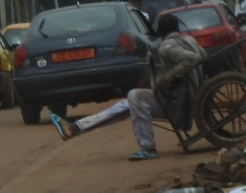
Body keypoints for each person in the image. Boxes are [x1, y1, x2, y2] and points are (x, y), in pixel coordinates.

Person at [50, 13, 206, 160]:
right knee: (128, 103)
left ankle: (148, 147)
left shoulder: (167, 47)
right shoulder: (190, 41)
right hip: (190, 99)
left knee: (134, 97)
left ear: (161, 31)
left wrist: (167, 77)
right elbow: (203, 55)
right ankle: (76, 127)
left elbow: (193, 59)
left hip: (179, 104)